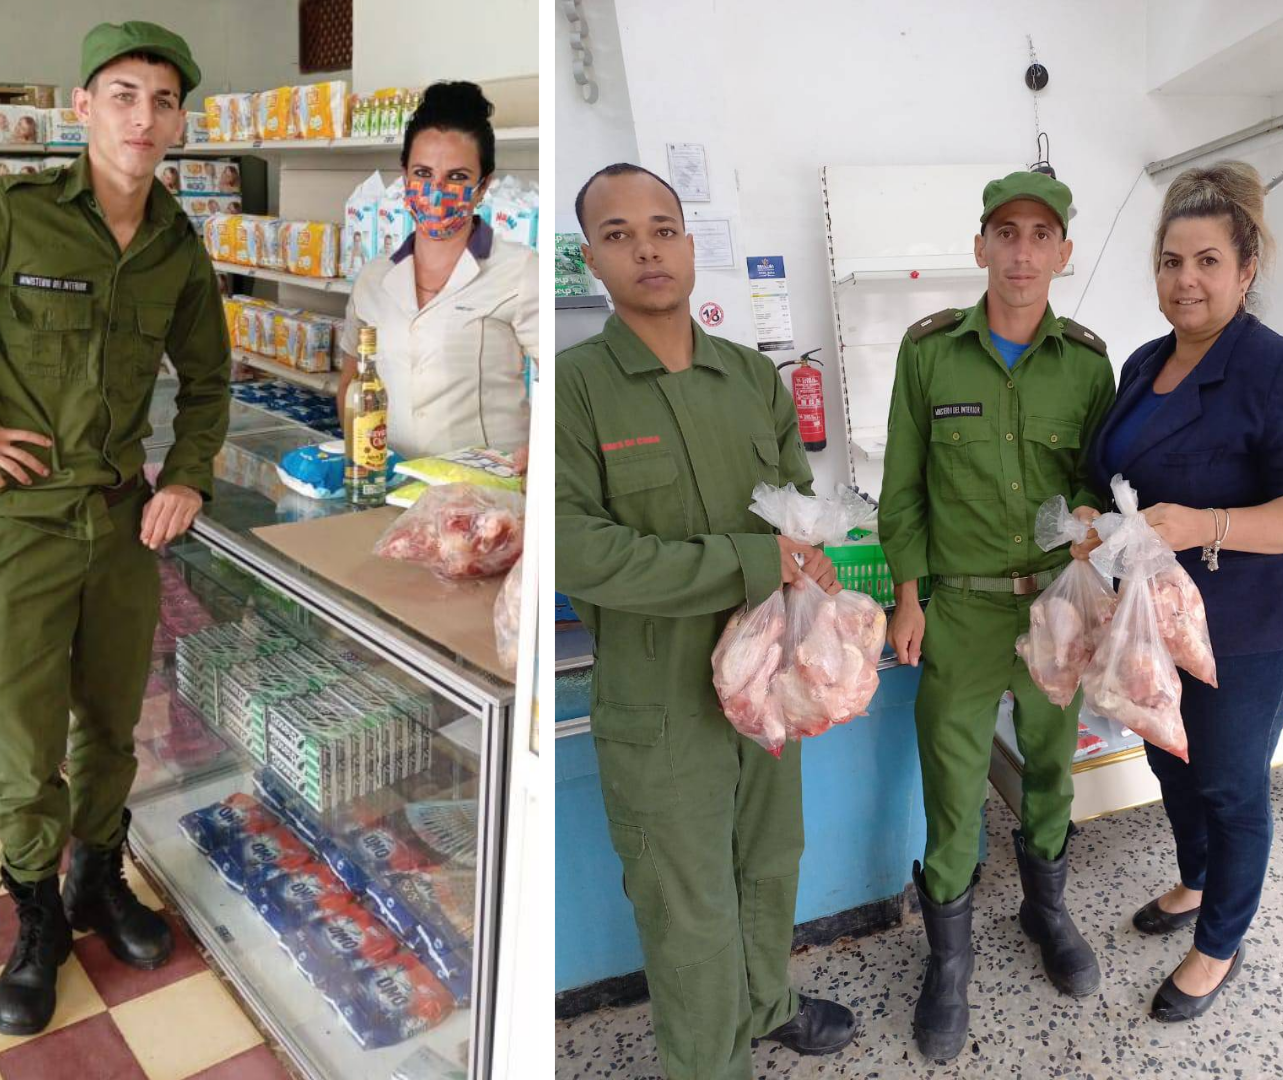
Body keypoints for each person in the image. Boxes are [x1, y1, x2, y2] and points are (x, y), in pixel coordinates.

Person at [555, 162, 857, 1080]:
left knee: (771, 858)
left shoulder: (751, 378)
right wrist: (744, 561)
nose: (646, 248)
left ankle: (766, 1005)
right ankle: (710, 1063)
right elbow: (579, 551)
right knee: (687, 909)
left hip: (769, 681)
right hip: (659, 701)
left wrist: (810, 557)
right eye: (618, 234)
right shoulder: (578, 387)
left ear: (689, 244)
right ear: (592, 259)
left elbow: (795, 505)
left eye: (663, 228)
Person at [0, 21, 229, 1034]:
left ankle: (96, 877)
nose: (143, 116)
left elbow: (209, 380)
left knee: (115, 724)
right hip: (20, 524)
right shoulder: (11, 211)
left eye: (163, 100)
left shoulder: (176, 241)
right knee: (26, 737)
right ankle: (37, 916)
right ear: (82, 108)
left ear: (178, 122)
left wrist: (192, 476)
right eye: (123, 94)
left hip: (125, 521)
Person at [878, 170, 1116, 1061]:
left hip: (1055, 609)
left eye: (1039, 235)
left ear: (1062, 252)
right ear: (980, 246)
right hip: (963, 614)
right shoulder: (930, 353)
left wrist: (1096, 533)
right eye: (1005, 233)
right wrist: (909, 596)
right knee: (952, 784)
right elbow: (903, 490)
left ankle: (1045, 914)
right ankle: (950, 964)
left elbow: (1099, 483)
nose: (1022, 252)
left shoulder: (1089, 364)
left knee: (1052, 771)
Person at [1081, 162, 1283, 1021]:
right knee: (1166, 756)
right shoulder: (1145, 362)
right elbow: (1113, 470)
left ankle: (1221, 942)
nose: (1187, 280)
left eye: (1208, 261)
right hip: (1153, 617)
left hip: (1245, 624)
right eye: (1173, 261)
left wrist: (1206, 523)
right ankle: (1195, 878)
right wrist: (1088, 509)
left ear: (1246, 269)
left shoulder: (1279, 368)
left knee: (1227, 779)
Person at [338, 81, 536, 462]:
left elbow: (563, 380)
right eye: (423, 174)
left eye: (458, 177)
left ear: (483, 187)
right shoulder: (373, 279)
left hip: (486, 495)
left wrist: (539, 457)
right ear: (405, 178)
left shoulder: (519, 270)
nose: (436, 190)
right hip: (391, 482)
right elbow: (351, 384)